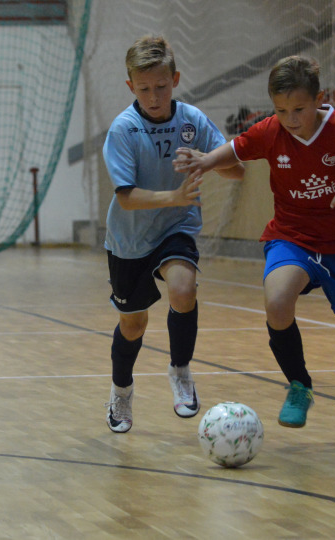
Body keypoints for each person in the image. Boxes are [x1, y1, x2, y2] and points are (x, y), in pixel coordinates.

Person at [173, 56, 335, 438]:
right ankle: (299, 386)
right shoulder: (272, 131)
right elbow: (236, 149)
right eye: (281, 110)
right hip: (291, 236)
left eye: (298, 109)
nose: (290, 118)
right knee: (278, 301)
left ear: (319, 100)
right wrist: (205, 159)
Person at [102, 35, 245, 433]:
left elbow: (238, 170)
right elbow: (127, 199)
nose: (153, 96)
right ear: (130, 86)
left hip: (175, 228)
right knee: (133, 325)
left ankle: (180, 370)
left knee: (184, 289)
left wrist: (210, 159)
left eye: (161, 86)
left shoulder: (193, 121)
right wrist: (175, 194)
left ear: (175, 79)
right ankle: (122, 391)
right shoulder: (124, 130)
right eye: (144, 88)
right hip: (129, 238)